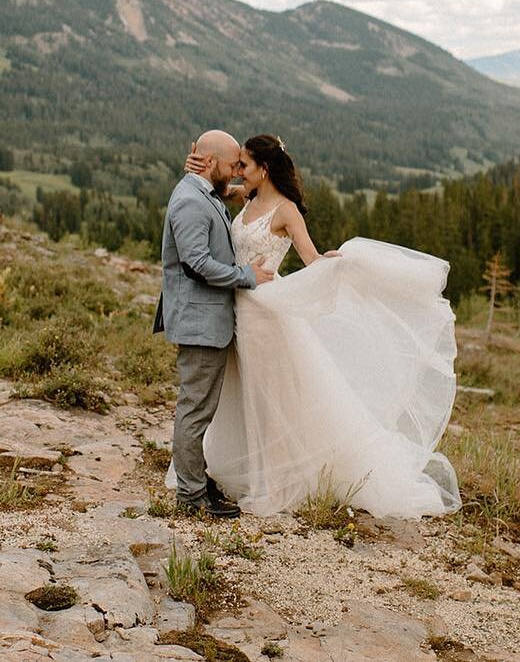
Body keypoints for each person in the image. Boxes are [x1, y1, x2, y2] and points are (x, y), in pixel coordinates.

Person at [176, 134, 461, 518]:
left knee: (269, 400)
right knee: (238, 395)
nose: (239, 171)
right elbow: (211, 189)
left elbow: (309, 257)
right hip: (236, 307)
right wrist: (196, 166)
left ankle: (271, 483)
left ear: (264, 168)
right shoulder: (247, 196)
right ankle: (217, 471)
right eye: (237, 164)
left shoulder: (286, 210)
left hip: (265, 313)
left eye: (244, 164)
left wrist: (335, 264)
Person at [154, 129, 273, 517]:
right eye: (232, 164)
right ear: (210, 163)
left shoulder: (203, 192)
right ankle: (191, 498)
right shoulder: (190, 201)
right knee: (194, 410)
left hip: (208, 320)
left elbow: (226, 192)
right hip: (199, 322)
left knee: (201, 408)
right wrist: (246, 275)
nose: (237, 172)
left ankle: (197, 483)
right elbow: (197, 264)